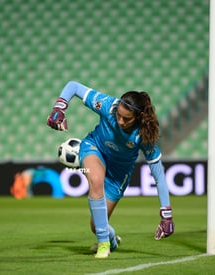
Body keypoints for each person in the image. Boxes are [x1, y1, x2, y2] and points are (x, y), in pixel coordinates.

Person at [47, 81, 174, 258]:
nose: (120, 121)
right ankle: (103, 244)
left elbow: (159, 176)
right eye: (118, 115)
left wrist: (166, 215)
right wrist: (59, 108)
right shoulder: (107, 105)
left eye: (126, 119)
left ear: (138, 117)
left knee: (96, 225)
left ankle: (111, 240)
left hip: (118, 175)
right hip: (94, 148)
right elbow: (74, 86)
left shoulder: (143, 135)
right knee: (96, 180)